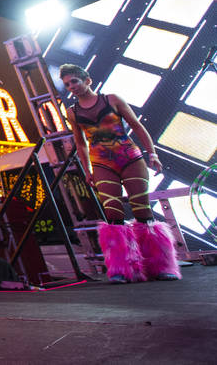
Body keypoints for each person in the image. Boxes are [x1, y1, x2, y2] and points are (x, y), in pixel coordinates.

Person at [59, 64, 180, 283]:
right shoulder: (72, 112)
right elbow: (80, 143)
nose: (71, 87)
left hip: (130, 158)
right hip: (102, 164)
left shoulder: (112, 99)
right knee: (113, 215)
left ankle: (161, 266)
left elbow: (137, 126)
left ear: (87, 80)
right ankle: (121, 269)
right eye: (67, 84)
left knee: (142, 210)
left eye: (74, 81)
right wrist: (87, 170)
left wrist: (153, 154)